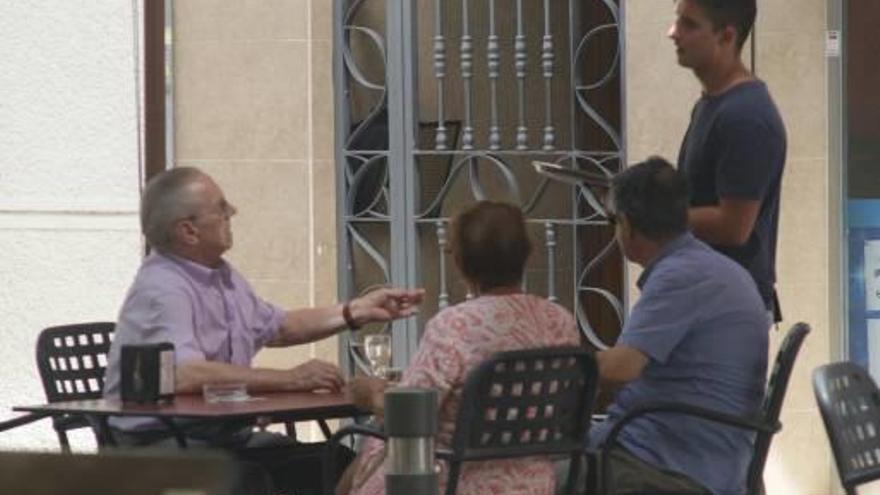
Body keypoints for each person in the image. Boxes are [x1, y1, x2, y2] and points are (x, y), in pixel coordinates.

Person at [103, 166, 424, 495]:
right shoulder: (164, 287)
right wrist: (292, 379)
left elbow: (279, 327)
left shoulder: (221, 275)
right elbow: (182, 373)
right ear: (189, 231)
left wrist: (355, 310)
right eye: (221, 208)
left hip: (222, 436)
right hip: (160, 443)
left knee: (334, 462)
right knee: (250, 481)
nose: (233, 213)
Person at [340, 201, 580, 495]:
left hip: (451, 482)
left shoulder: (454, 326)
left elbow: (408, 413)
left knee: (359, 458)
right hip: (535, 483)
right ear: (527, 255)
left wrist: (371, 394)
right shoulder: (561, 322)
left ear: (460, 262)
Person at [587, 158, 769, 495]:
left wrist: (552, 369)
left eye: (612, 221)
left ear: (626, 225)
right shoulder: (716, 268)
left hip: (667, 463)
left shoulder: (679, 276)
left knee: (529, 475)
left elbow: (621, 368)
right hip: (708, 454)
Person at [670, 0, 786, 321]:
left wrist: (655, 215)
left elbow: (734, 226)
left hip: (727, 306)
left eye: (689, 25)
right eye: (676, 20)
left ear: (726, 37)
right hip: (706, 294)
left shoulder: (745, 116)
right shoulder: (712, 104)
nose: (673, 33)